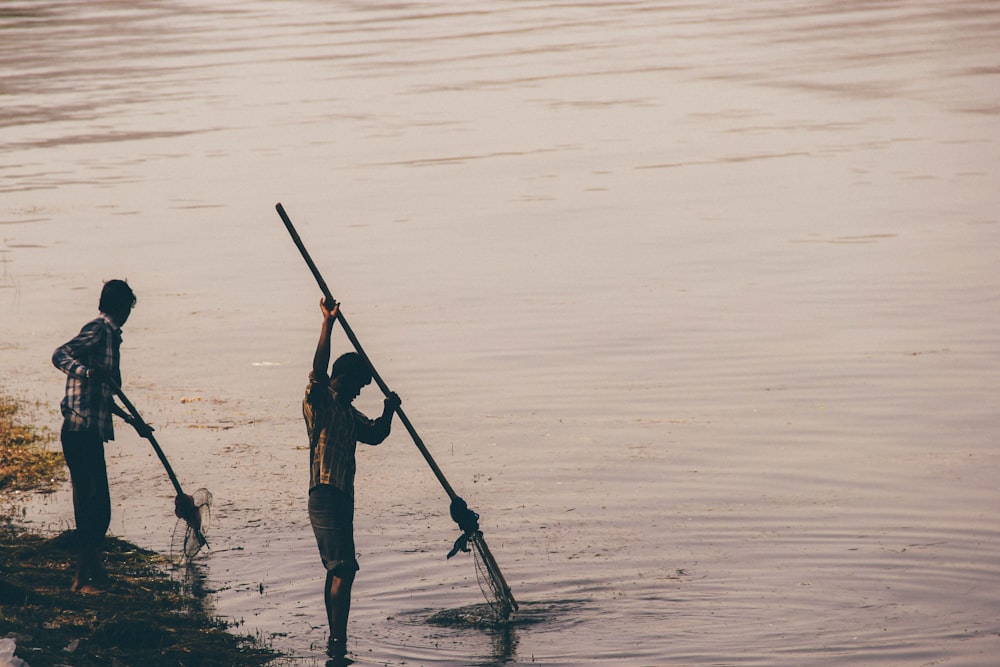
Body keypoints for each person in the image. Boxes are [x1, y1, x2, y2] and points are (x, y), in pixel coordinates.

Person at [303, 298, 400, 660]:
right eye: (358, 385)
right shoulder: (322, 401)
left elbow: (375, 434)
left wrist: (388, 412)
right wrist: (328, 323)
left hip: (343, 497)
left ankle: (335, 640)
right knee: (344, 567)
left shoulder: (347, 412)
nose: (360, 392)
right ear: (341, 379)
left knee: (338, 568)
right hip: (325, 494)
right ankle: (338, 643)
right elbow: (317, 368)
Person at [51, 278, 148, 593]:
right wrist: (87, 372)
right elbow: (60, 355)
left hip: (90, 429)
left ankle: (93, 572)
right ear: (122, 307)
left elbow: (105, 396)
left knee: (97, 505)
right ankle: (82, 579)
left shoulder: (111, 339)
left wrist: (134, 422)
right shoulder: (100, 330)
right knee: (94, 505)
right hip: (79, 428)